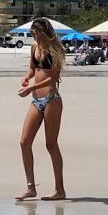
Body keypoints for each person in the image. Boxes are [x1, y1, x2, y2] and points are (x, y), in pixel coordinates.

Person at [16, 18, 66, 201]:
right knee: (24, 141)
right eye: (33, 35)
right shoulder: (34, 47)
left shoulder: (55, 49)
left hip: (52, 99)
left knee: (51, 144)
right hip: (36, 100)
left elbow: (53, 77)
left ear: (45, 33)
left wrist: (31, 88)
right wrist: (27, 78)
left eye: (37, 34)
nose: (35, 38)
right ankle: (31, 187)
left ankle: (59, 189)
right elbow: (32, 68)